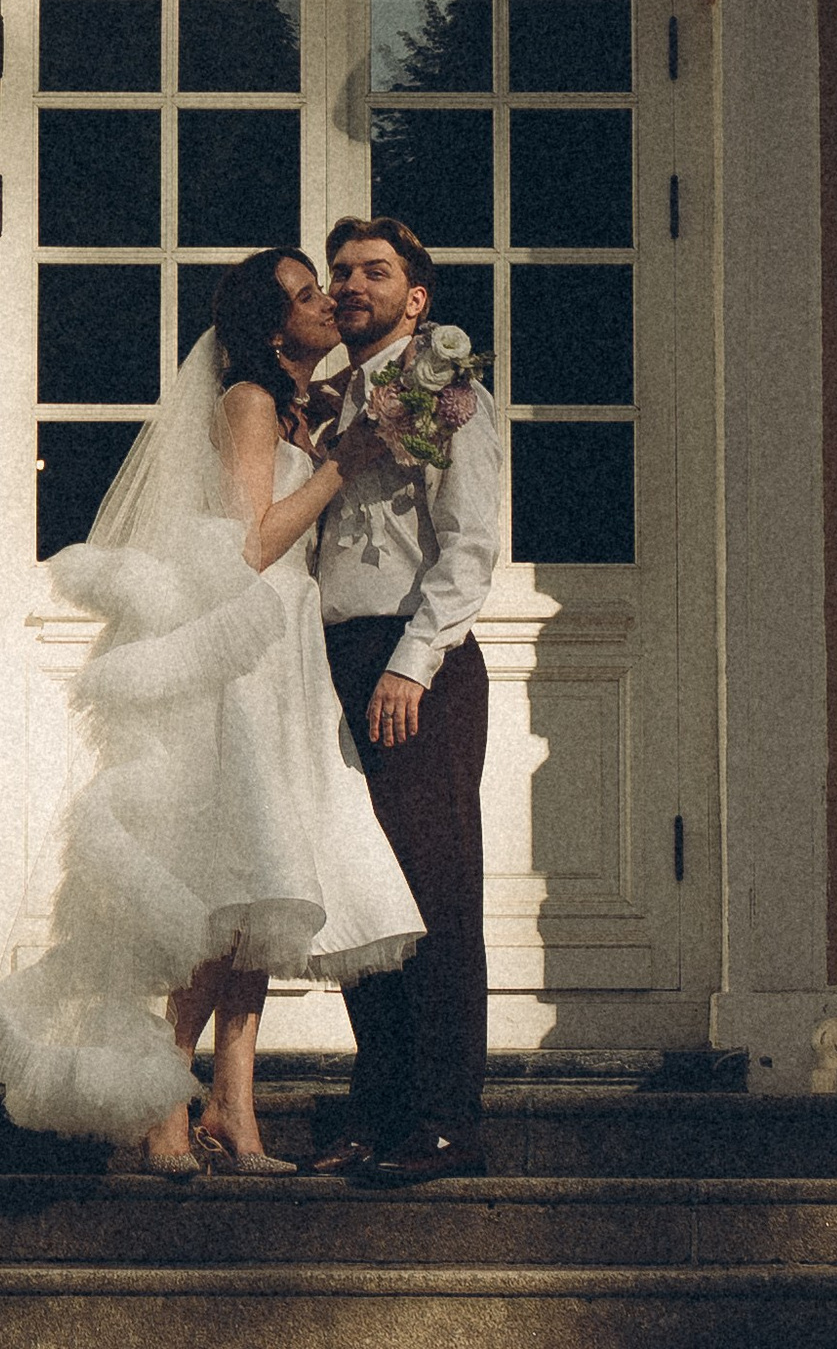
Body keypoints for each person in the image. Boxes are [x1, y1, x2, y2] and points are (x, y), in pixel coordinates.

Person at [0, 248, 420, 1174]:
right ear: (272, 329)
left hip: (289, 652)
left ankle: (234, 1107)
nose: (326, 303)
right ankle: (165, 1102)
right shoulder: (250, 403)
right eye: (308, 296)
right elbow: (251, 545)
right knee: (229, 884)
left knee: (263, 888)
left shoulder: (300, 401)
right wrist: (341, 467)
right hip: (247, 651)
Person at [312, 213, 504, 1180]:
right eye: (341, 272)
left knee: (434, 892)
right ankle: (376, 1111)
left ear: (415, 297)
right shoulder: (326, 397)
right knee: (363, 897)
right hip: (331, 657)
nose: (351, 285)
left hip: (414, 662)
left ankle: (445, 1120)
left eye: (373, 272)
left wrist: (411, 662)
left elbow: (470, 545)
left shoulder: (450, 393)